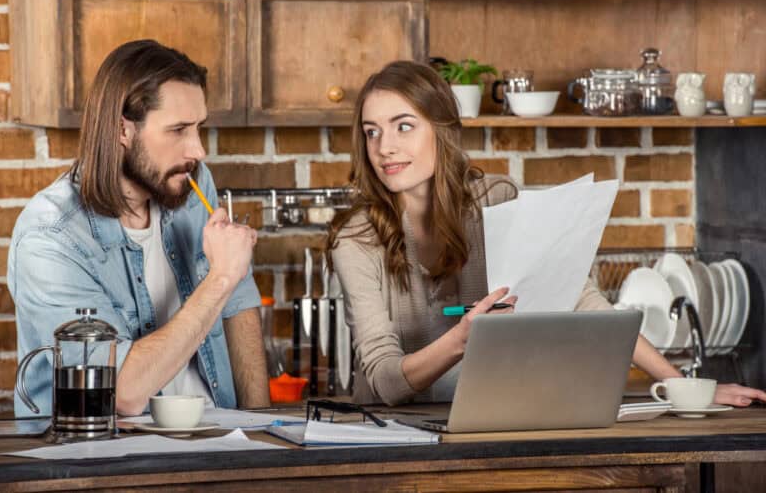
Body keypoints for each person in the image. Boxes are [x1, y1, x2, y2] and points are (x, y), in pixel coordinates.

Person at [327, 60, 766, 408]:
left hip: (490, 417)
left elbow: (580, 298)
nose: (384, 147)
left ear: (442, 132)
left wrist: (680, 385)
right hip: (389, 436)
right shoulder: (356, 239)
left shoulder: (498, 200)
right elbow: (385, 379)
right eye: (372, 132)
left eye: (403, 125)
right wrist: (459, 340)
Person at [8, 40, 269, 417]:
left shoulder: (191, 184)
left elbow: (239, 304)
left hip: (217, 440)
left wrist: (259, 428)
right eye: (178, 130)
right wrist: (221, 278)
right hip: (102, 461)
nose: (197, 151)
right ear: (122, 130)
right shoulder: (50, 238)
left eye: (199, 128)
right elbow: (122, 392)